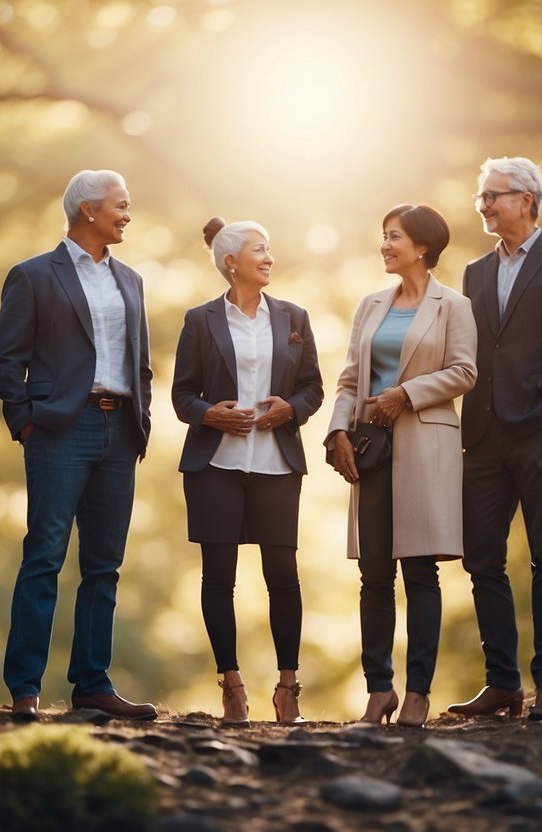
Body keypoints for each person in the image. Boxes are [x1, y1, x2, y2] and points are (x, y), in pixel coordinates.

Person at [0, 170, 155, 721]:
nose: (128, 214)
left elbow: (142, 362)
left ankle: (92, 682)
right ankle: (25, 687)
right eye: (120, 205)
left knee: (104, 563)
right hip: (61, 429)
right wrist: (25, 422)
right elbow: (7, 359)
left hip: (120, 432)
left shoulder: (131, 279)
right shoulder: (34, 275)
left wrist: (142, 420)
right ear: (88, 209)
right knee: (44, 554)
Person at [450, 157, 542, 721]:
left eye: (495, 195)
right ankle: (502, 682)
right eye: (481, 197)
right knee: (481, 559)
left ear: (528, 200)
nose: (485, 205)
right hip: (483, 436)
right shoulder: (473, 272)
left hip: (541, 433)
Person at [327, 204, 477, 727]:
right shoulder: (370, 305)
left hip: (424, 448)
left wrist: (406, 395)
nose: (385, 245)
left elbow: (465, 371)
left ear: (423, 247)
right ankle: (378, 690)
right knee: (373, 575)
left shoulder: (453, 305)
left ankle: (417, 693)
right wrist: (337, 431)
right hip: (369, 449)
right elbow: (349, 379)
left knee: (419, 571)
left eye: (394, 237)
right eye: (383, 236)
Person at [173, 217, 324, 726]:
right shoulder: (200, 320)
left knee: (283, 574)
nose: (269, 258)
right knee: (220, 578)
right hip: (215, 464)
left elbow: (313, 388)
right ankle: (232, 687)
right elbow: (182, 395)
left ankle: (287, 689)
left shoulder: (294, 317)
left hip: (277, 464)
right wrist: (211, 413)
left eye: (270, 250)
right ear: (231, 260)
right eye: (259, 249)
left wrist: (292, 410)